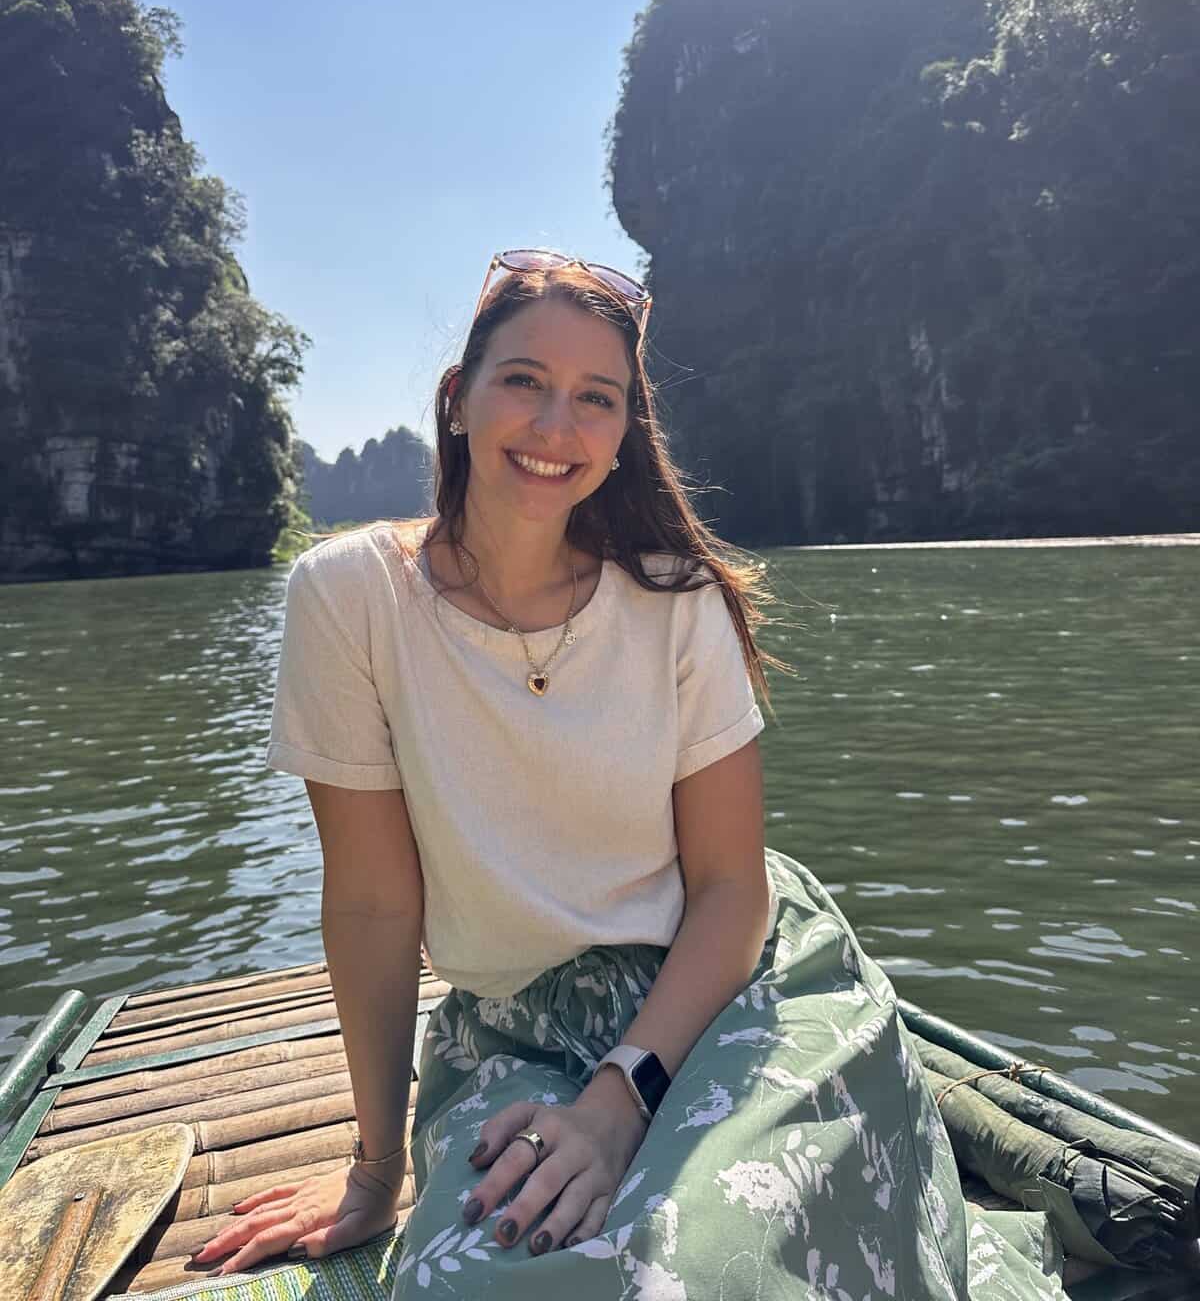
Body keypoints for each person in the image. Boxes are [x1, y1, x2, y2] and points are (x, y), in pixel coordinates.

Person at [194, 250, 1063, 1298]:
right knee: (480, 1277)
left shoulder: (675, 603)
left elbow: (734, 888)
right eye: (523, 380)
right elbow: (376, 902)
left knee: (705, 1262)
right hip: (510, 1022)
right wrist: (376, 1170)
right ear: (459, 398)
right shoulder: (351, 598)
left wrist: (618, 1101)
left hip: (730, 989)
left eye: (595, 399)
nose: (556, 426)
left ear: (621, 437)